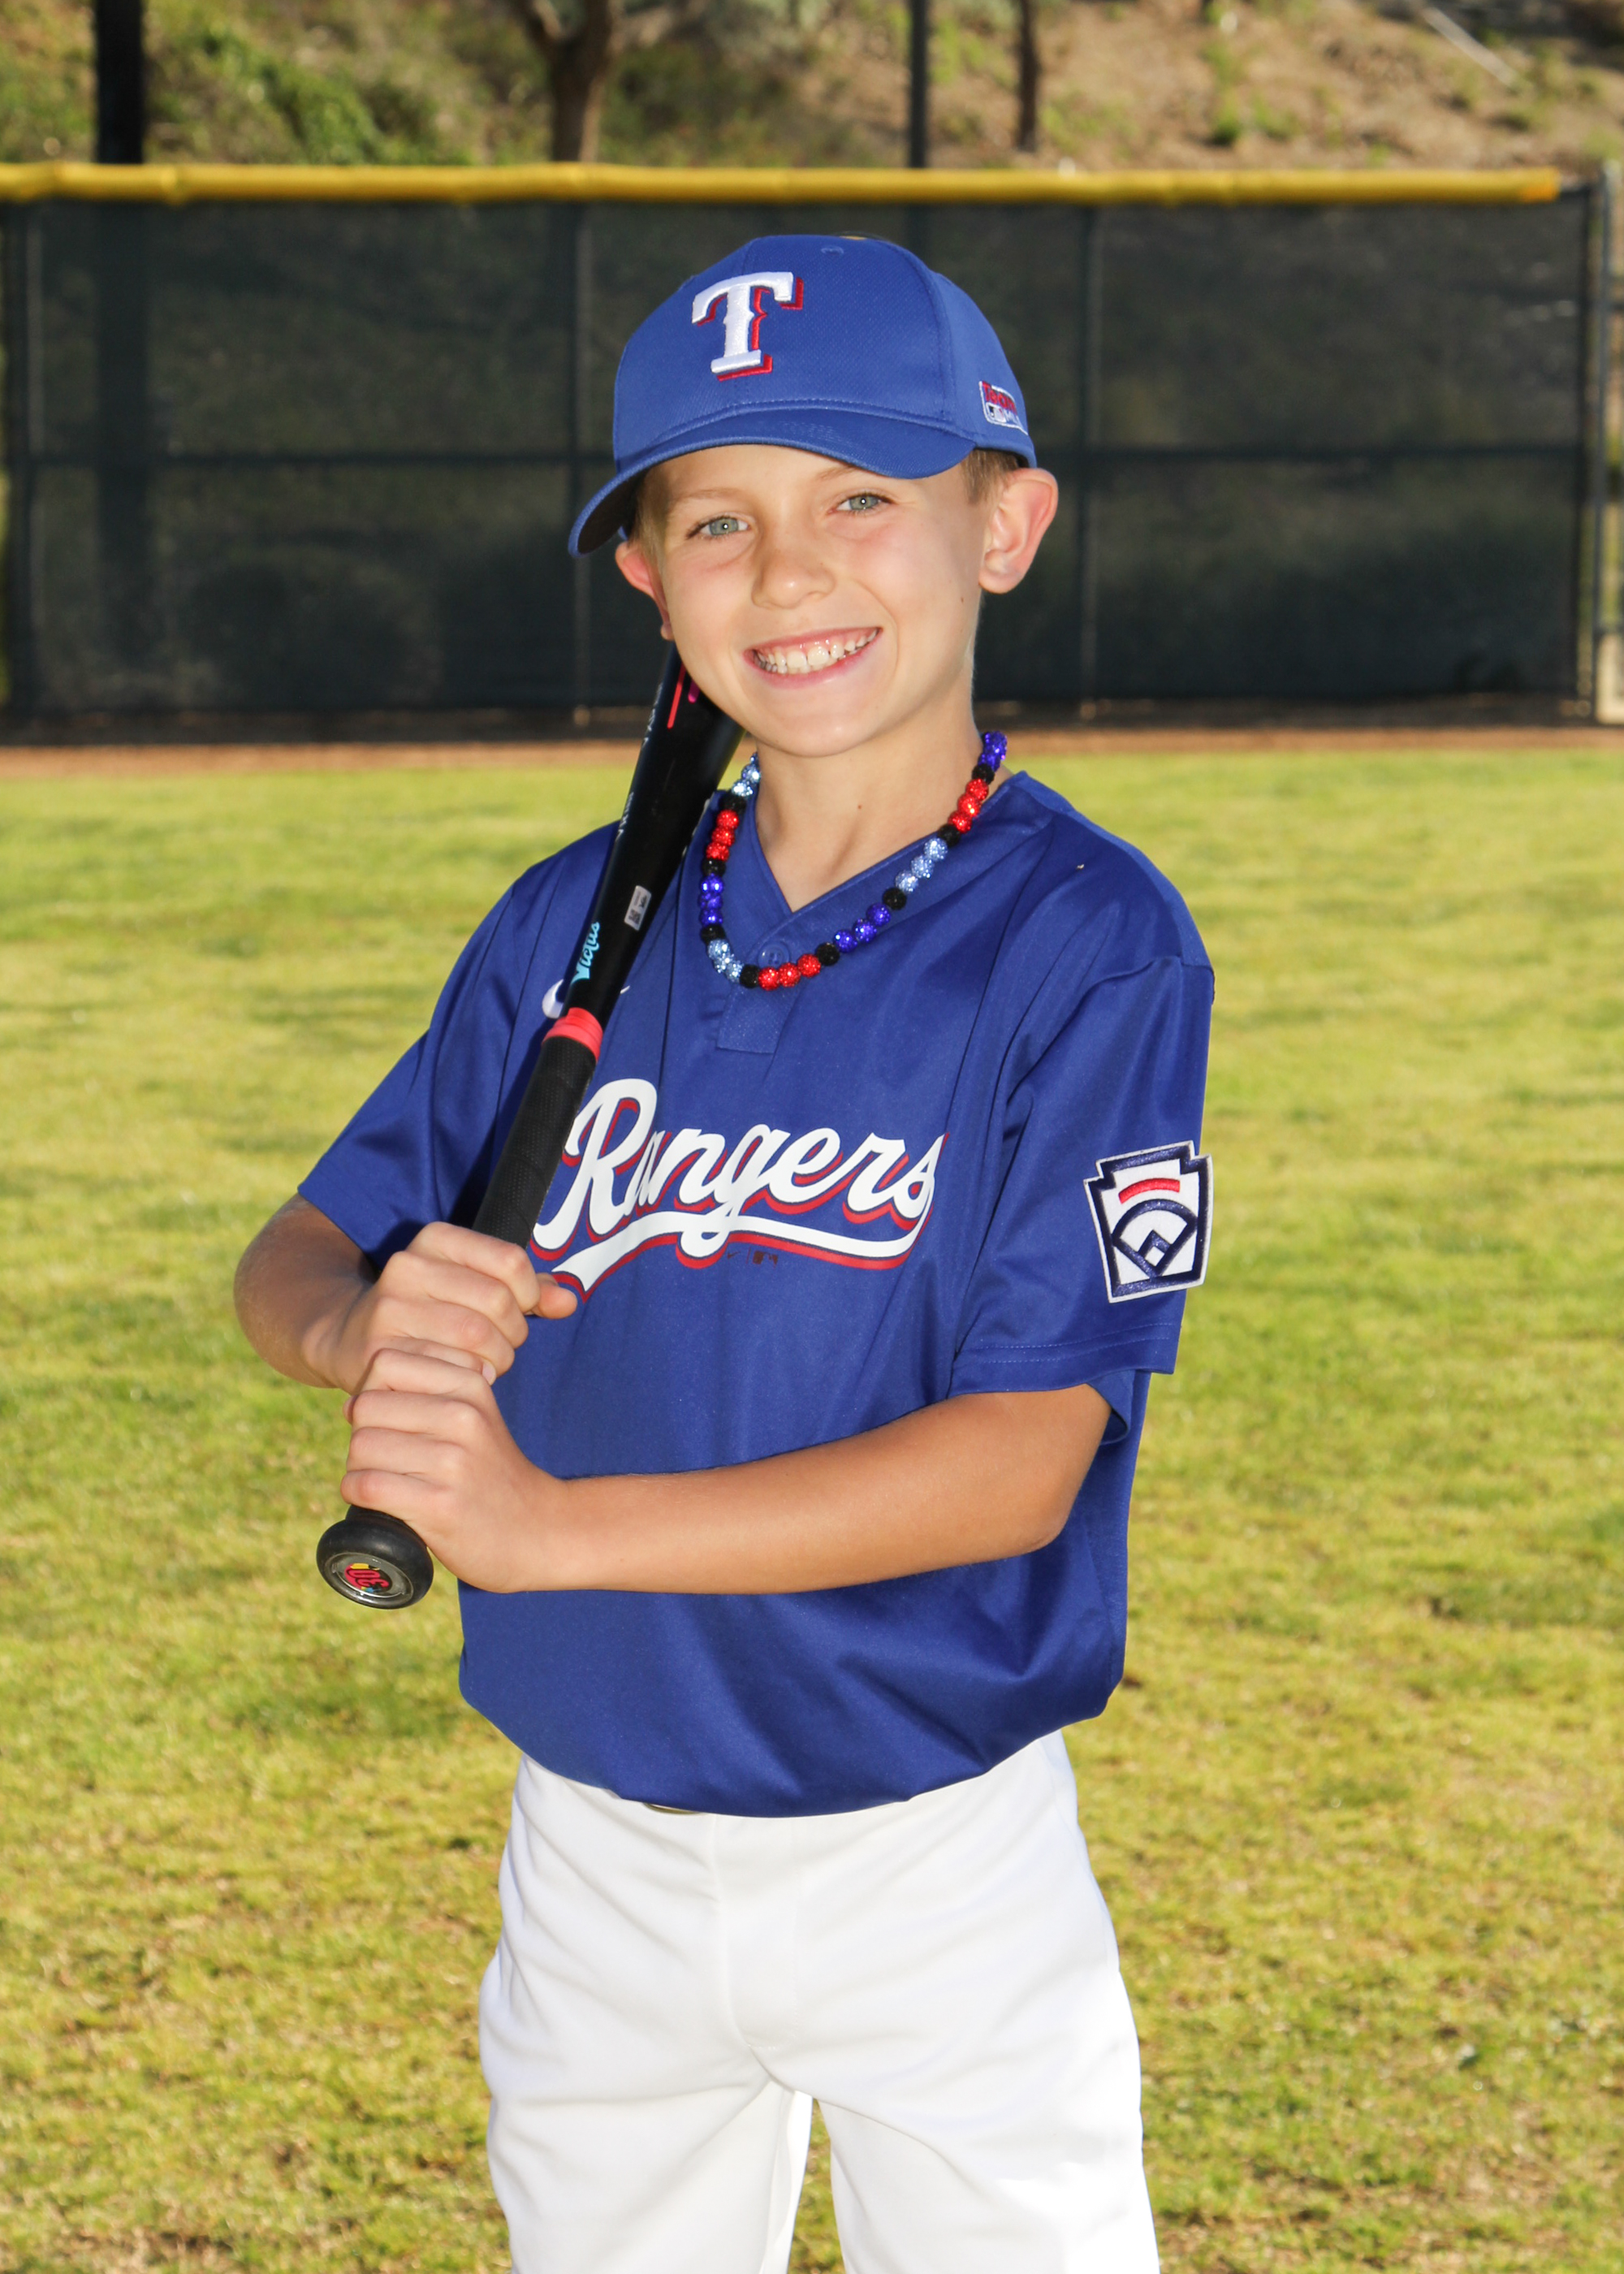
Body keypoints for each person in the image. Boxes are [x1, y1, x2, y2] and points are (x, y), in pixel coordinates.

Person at [235, 234, 1213, 2274]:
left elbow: (1021, 1458)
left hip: (928, 1845)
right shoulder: (570, 922)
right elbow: (301, 1248)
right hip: (591, 1829)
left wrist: (545, 1525)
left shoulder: (1089, 945)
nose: (788, 573)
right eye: (717, 520)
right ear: (648, 578)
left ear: (1005, 525)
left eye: (860, 498)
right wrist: (360, 1326)